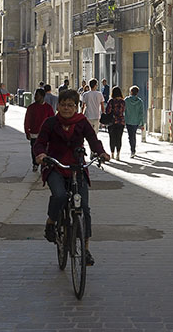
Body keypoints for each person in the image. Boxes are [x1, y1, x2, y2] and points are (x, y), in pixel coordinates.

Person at [34, 88, 109, 266]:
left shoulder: (82, 122)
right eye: (63, 105)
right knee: (59, 195)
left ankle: (85, 249)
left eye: (70, 105)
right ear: (58, 105)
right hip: (55, 166)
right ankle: (51, 222)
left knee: (84, 207)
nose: (66, 108)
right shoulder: (50, 123)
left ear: (76, 107)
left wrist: (101, 153)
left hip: (77, 167)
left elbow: (93, 140)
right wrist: (41, 155)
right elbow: (40, 142)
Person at [24, 89, 55, 170]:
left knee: (46, 150)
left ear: (42, 96)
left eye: (37, 95)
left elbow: (52, 120)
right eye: (35, 95)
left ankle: (44, 164)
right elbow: (27, 120)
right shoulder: (31, 107)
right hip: (34, 133)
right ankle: (35, 163)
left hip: (45, 134)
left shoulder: (48, 108)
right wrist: (27, 131)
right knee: (34, 149)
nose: (35, 97)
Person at [123, 85, 146, 158]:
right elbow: (141, 113)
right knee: (133, 135)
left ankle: (132, 150)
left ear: (131, 92)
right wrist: (142, 124)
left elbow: (123, 111)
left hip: (128, 120)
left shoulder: (126, 100)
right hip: (136, 121)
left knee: (131, 136)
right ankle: (133, 150)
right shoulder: (140, 101)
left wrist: (123, 119)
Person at [104, 87, 126, 160]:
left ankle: (112, 153)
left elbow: (108, 111)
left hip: (112, 122)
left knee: (112, 138)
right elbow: (123, 110)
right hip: (121, 121)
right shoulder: (123, 101)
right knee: (119, 138)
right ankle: (118, 154)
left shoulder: (111, 101)